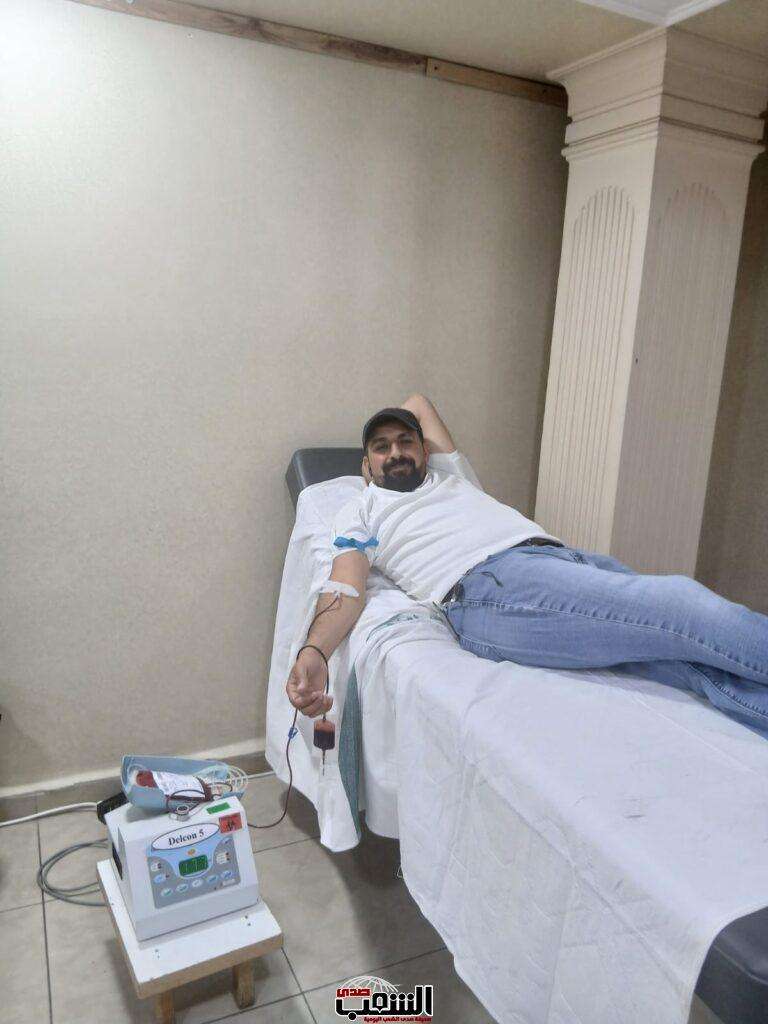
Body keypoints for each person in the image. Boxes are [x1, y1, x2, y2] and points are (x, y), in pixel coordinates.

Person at [286, 393, 768, 738]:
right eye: (381, 446)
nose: (396, 452)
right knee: (680, 604)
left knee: (679, 659)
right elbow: (345, 590)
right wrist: (314, 652)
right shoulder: (361, 510)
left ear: (424, 450)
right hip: (490, 589)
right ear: (366, 463)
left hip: (557, 559)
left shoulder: (451, 476)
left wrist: (400, 432)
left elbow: (418, 401)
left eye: (405, 441)